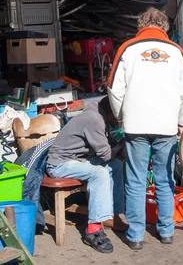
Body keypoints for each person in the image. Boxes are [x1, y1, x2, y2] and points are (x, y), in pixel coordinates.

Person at [107, 7, 183, 250]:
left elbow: (114, 89)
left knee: (135, 179)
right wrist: (181, 121)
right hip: (166, 124)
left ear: (140, 25)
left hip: (136, 124)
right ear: (164, 27)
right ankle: (166, 231)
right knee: (165, 177)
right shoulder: (177, 52)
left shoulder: (127, 49)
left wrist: (121, 117)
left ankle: (136, 236)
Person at [46, 97, 126, 254]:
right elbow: (106, 155)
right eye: (119, 116)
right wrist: (121, 144)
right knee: (100, 173)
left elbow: (109, 152)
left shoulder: (100, 115)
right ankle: (93, 230)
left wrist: (120, 148)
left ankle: (113, 215)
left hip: (78, 160)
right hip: (59, 165)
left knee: (116, 166)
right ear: (112, 112)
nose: (120, 120)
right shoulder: (95, 119)